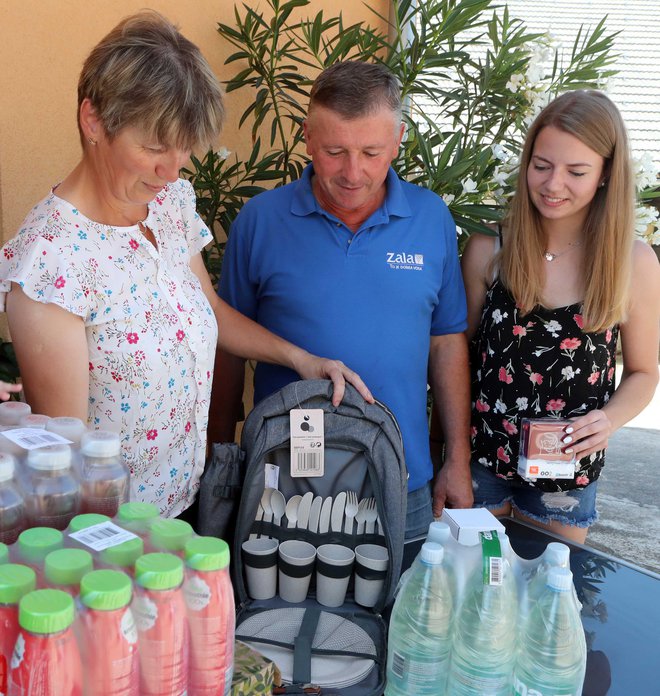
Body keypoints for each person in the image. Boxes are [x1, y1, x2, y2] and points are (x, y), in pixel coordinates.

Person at [0, 12, 371, 520]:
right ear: (93, 120)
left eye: (183, 148)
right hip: (119, 538)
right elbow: (68, 465)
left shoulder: (168, 203)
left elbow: (209, 310)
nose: (172, 169)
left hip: (195, 507)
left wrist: (300, 358)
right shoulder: (52, 262)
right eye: (154, 147)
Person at [213, 60, 473, 539]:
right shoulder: (261, 220)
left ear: (398, 141)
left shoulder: (430, 217)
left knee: (400, 612)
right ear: (307, 138)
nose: (354, 173)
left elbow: (446, 342)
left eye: (372, 152)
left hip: (402, 477)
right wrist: (217, 455)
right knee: (278, 612)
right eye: (335, 152)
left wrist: (457, 458)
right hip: (284, 480)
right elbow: (227, 341)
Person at [461, 90, 660, 542]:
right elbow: (456, 359)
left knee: (543, 601)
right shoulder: (488, 250)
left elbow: (645, 372)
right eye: (542, 165)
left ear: (606, 173)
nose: (553, 185)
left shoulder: (632, 263)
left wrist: (608, 420)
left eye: (576, 171)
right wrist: (447, 451)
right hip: (481, 463)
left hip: (566, 477)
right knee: (469, 597)